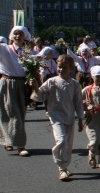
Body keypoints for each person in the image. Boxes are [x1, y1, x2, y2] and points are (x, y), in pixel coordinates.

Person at [30, 55, 85, 181]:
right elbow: (40, 96)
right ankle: (61, 168)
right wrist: (35, 86)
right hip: (55, 116)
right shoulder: (52, 81)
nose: (61, 70)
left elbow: (78, 103)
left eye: (64, 67)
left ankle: (65, 166)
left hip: (69, 116)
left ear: (70, 68)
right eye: (59, 67)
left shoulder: (75, 84)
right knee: (61, 140)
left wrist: (81, 119)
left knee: (68, 144)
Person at [1, 25, 32, 156]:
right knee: (11, 113)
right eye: (15, 34)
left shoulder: (27, 52)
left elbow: (38, 63)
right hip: (8, 82)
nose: (17, 36)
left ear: (25, 36)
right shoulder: (5, 48)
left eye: (20, 34)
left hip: (22, 84)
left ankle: (9, 141)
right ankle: (20, 145)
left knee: (20, 114)